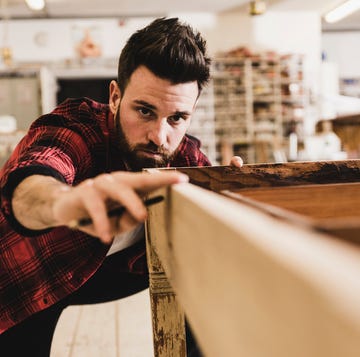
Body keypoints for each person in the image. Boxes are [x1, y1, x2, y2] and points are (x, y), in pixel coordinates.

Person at [0, 17, 242, 356]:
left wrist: (237, 192)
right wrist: (65, 203)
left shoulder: (185, 158)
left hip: (103, 272)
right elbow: (33, 180)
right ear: (115, 97)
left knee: (202, 279)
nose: (160, 136)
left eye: (177, 118)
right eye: (144, 111)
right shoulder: (78, 129)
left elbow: (222, 205)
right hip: (23, 278)